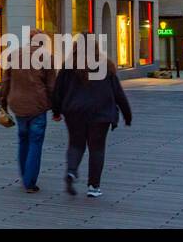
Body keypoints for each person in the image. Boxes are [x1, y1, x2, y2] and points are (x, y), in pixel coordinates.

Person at [52, 57, 132, 198]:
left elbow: (58, 90)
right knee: (97, 148)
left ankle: (71, 171)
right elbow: (118, 93)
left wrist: (56, 111)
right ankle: (93, 186)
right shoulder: (106, 66)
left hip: (75, 112)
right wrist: (127, 114)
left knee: (76, 144)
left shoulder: (68, 67)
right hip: (101, 113)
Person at [0, 30, 55, 193]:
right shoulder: (46, 57)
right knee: (35, 141)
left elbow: (6, 80)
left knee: (23, 139)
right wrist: (56, 108)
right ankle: (30, 182)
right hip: (38, 105)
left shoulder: (13, 54)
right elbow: (51, 86)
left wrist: (3, 101)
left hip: (18, 105)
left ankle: (24, 176)